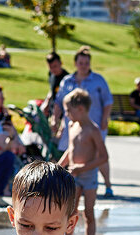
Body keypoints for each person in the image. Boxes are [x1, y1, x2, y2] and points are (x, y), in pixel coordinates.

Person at [53, 46, 114, 197]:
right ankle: (71, 182)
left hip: (94, 123)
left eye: (86, 63)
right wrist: (57, 120)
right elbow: (59, 102)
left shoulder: (98, 80)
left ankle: (107, 184)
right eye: (81, 62)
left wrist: (105, 118)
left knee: (96, 152)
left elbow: (107, 101)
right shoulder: (67, 81)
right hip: (73, 125)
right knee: (73, 149)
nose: (83, 65)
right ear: (75, 63)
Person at [58, 89, 109, 235]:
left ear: (80, 109)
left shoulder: (92, 130)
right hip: (74, 176)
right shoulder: (73, 126)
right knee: (70, 212)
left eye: (68, 110)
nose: (66, 114)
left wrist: (83, 167)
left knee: (88, 212)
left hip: (88, 177)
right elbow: (70, 150)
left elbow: (104, 157)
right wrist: (58, 166)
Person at [41, 52, 68, 117]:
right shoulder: (51, 74)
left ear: (61, 63)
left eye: (55, 66)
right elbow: (52, 89)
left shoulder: (67, 79)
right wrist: (46, 102)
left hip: (63, 112)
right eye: (50, 67)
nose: (53, 69)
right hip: (52, 109)